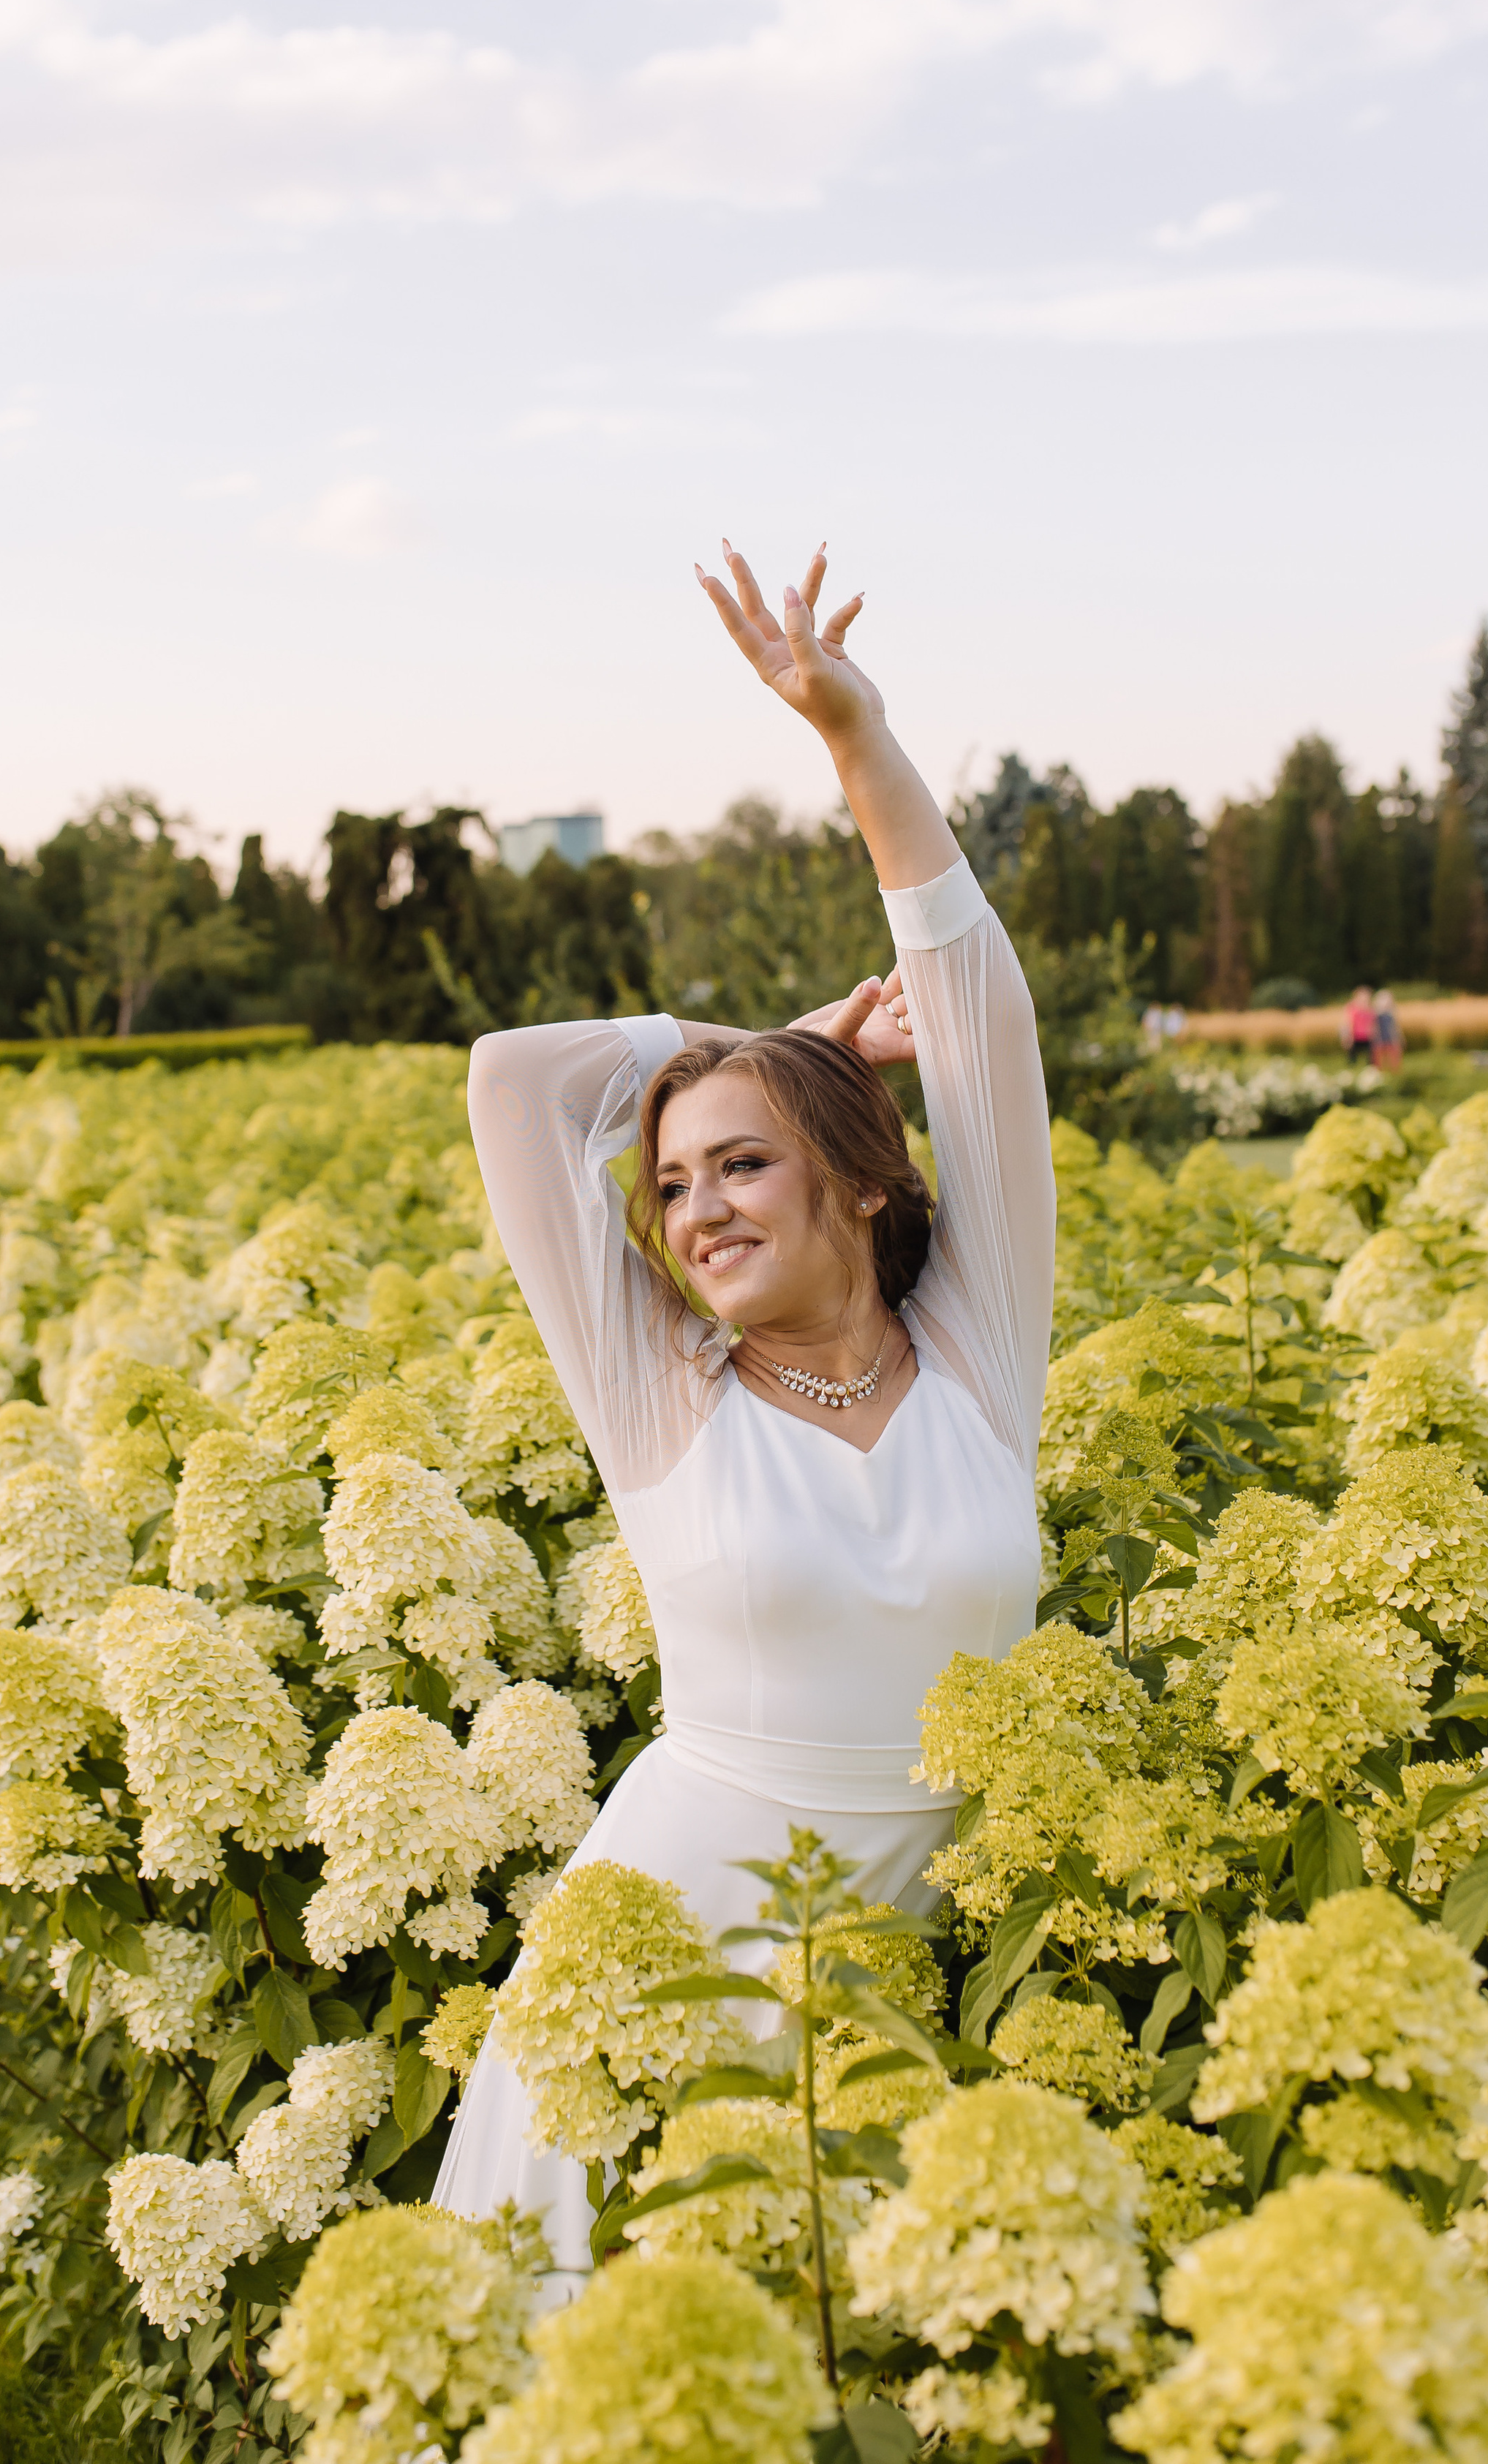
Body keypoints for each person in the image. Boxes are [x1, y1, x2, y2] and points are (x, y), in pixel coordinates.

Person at [432, 538, 1051, 2271]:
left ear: (857, 1183)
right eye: (674, 1180)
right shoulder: (657, 1385)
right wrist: (762, 1051)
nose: (694, 1206)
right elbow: (515, 1079)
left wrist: (854, 737)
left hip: (916, 1974)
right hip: (670, 1946)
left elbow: (978, 1014)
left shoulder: (977, 1346)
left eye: (745, 1164)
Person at [1341, 985, 1375, 1064]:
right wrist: (1349, 1036)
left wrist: (1373, 1033)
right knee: (1352, 1056)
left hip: (1367, 1035)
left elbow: (1372, 1022)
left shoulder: (1370, 1007)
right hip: (1355, 1035)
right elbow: (1349, 1022)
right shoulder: (1352, 1007)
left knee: (1370, 1057)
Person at [1372, 987, 1402, 1074]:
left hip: (1391, 1039)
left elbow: (1394, 1028)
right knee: (1378, 1060)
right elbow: (1374, 1028)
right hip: (1379, 1040)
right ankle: (1380, 1074)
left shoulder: (1391, 1013)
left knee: (1395, 1059)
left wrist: (1398, 1038)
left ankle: (1394, 1073)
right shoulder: (1375, 1014)